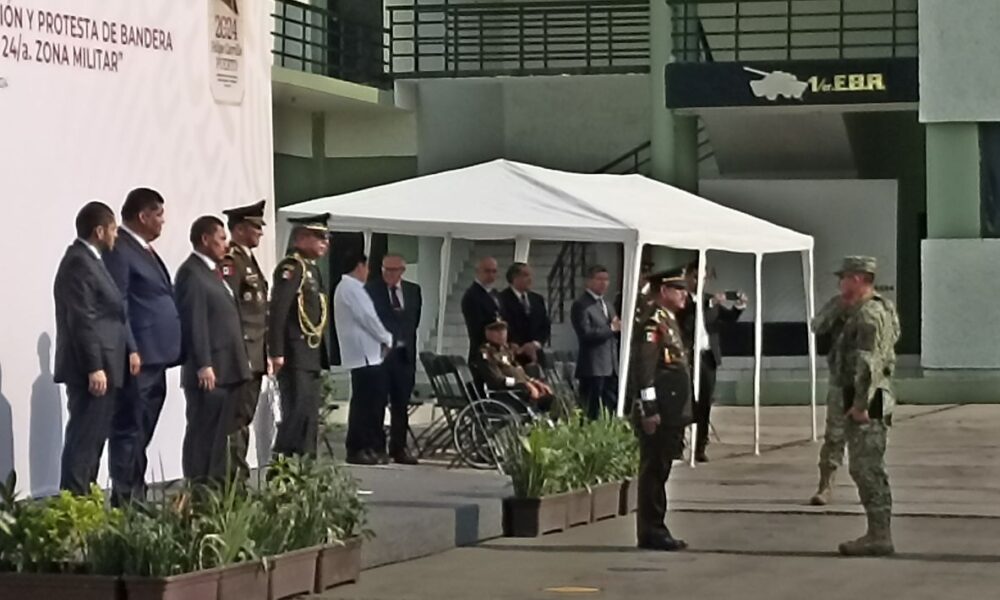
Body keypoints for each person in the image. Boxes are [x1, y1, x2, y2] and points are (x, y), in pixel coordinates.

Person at [104, 187, 182, 505]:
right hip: (139, 357)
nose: (163, 221)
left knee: (142, 429)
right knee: (129, 429)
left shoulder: (145, 250)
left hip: (156, 356)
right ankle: (125, 500)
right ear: (143, 216)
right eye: (159, 214)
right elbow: (117, 302)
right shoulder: (120, 249)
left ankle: (137, 494)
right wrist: (130, 347)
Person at [823, 257, 900, 556]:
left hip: (868, 398)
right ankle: (877, 532)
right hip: (871, 395)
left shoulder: (868, 315)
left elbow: (868, 364)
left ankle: (879, 535)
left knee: (867, 467)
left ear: (858, 279)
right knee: (865, 466)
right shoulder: (882, 309)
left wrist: (859, 405)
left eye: (844, 278)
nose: (840, 283)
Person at [53, 201, 130, 495]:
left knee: (94, 441)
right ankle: (74, 505)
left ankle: (86, 501)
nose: (115, 236)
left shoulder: (93, 261)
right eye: (112, 229)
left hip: (105, 368)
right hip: (91, 371)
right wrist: (95, 366)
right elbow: (82, 318)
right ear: (99, 231)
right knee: (83, 442)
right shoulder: (78, 262)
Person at [175, 216, 251, 486]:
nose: (226, 244)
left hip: (229, 369)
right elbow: (194, 322)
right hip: (212, 371)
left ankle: (214, 489)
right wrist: (203, 364)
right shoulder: (192, 272)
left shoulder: (213, 272)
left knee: (219, 437)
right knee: (203, 434)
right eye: (221, 238)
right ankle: (198, 487)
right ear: (205, 240)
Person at [627, 268, 693, 551]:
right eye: (679, 290)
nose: (685, 295)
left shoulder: (669, 320)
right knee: (654, 470)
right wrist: (649, 408)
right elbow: (645, 370)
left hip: (672, 409)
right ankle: (652, 530)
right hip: (660, 411)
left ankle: (656, 527)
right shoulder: (653, 323)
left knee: (661, 469)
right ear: (664, 292)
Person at [268, 214, 331, 458]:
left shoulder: (312, 269)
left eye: (326, 237)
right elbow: (279, 311)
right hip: (295, 353)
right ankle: (284, 463)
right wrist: (277, 351)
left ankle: (305, 465)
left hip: (310, 352)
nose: (325, 243)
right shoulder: (292, 268)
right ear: (302, 237)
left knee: (308, 415)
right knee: (296, 412)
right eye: (319, 237)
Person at [219, 200, 269, 479]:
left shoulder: (248, 259)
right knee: (235, 421)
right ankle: (233, 478)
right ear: (238, 230)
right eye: (255, 227)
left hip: (255, 352)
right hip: (242, 354)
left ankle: (237, 475)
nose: (260, 233)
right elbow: (230, 310)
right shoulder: (231, 261)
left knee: (243, 419)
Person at [678, 260, 746, 462]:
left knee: (705, 402)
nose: (700, 281)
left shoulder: (710, 301)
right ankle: (679, 443)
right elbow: (690, 315)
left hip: (708, 356)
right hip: (688, 356)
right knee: (684, 401)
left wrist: (738, 306)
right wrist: (710, 303)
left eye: (703, 277)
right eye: (696, 277)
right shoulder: (683, 300)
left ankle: (700, 446)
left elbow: (727, 318)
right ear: (688, 277)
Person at [334, 252, 394, 465]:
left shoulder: (351, 288)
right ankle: (359, 446)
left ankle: (370, 445)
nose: (368, 272)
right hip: (364, 355)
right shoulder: (351, 287)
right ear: (359, 266)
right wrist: (386, 338)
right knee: (365, 404)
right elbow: (368, 318)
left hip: (367, 354)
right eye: (367, 267)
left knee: (371, 402)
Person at [366, 254, 422, 465]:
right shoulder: (371, 290)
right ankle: (377, 447)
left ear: (402, 271)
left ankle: (399, 448)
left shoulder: (413, 291)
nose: (389, 274)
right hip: (381, 356)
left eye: (393, 270)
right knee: (378, 402)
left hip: (403, 355)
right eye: (385, 270)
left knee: (401, 404)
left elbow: (413, 321)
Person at [571, 265, 621, 419]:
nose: (604, 283)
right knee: (592, 411)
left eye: (606, 280)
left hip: (611, 366)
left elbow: (615, 329)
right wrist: (611, 328)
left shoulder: (608, 304)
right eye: (599, 279)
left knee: (610, 408)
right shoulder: (581, 305)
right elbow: (586, 334)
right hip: (593, 367)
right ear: (588, 281)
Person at [476, 319, 554, 409]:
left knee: (548, 393)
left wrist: (532, 381)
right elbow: (497, 380)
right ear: (487, 333)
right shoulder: (486, 353)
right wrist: (522, 384)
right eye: (497, 331)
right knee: (538, 396)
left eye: (504, 330)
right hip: (507, 392)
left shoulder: (507, 350)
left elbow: (518, 370)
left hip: (521, 388)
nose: (502, 334)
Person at [498, 262, 551, 372]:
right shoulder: (501, 299)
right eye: (526, 275)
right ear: (514, 277)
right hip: (514, 357)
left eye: (530, 275)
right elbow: (502, 325)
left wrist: (535, 344)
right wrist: (516, 345)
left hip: (536, 358)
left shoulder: (537, 299)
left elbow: (545, 326)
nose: (530, 279)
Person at [461, 257, 503, 385]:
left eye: (494, 271)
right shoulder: (472, 296)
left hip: (498, 351)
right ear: (478, 272)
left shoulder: (495, 294)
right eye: (487, 271)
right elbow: (476, 328)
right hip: (482, 351)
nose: (491, 275)